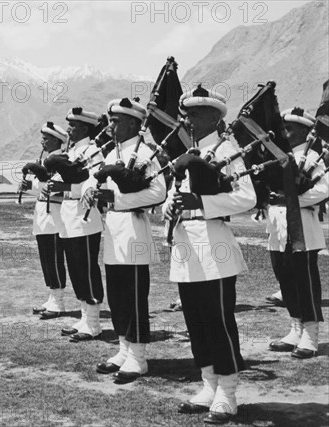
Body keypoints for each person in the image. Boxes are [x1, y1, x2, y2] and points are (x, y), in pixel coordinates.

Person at [163, 86, 256, 424]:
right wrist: (169, 206)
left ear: (215, 118)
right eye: (187, 113)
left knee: (218, 321)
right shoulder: (187, 152)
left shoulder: (226, 151)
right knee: (196, 322)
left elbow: (248, 197)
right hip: (186, 244)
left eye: (197, 114)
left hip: (214, 245)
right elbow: (174, 196)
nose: (188, 119)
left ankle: (228, 393)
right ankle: (208, 385)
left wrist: (203, 203)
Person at [82, 98, 167, 383]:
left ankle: (138, 357)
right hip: (114, 228)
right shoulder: (111, 154)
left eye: (117, 121)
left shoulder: (146, 153)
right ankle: (123, 349)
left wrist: (117, 198)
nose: (111, 126)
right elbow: (98, 181)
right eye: (111, 120)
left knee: (134, 294)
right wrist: (91, 191)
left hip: (134, 226)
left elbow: (158, 193)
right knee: (117, 294)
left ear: (133, 123)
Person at [268, 107, 328, 359]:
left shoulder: (316, 157)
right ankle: (295, 328)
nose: (285, 132)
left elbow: (323, 190)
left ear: (305, 131)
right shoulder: (278, 155)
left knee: (305, 281)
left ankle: (311, 335)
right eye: (284, 127)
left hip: (302, 225)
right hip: (277, 227)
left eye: (290, 128)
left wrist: (290, 199)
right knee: (286, 279)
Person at [51, 107, 105, 342]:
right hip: (68, 213)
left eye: (73, 125)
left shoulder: (93, 151)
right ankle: (84, 316)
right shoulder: (72, 151)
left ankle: (94, 322)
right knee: (74, 268)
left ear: (84, 128)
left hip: (85, 214)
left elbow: (94, 181)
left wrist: (66, 188)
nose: (69, 129)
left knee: (86, 267)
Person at [20, 122, 68, 319]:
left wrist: (37, 182)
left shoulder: (63, 160)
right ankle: (52, 296)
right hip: (43, 216)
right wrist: (28, 186)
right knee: (46, 259)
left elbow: (54, 187)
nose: (43, 141)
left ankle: (59, 301)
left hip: (55, 216)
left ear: (57, 140)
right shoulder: (46, 159)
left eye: (47, 138)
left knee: (55, 259)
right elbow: (42, 188)